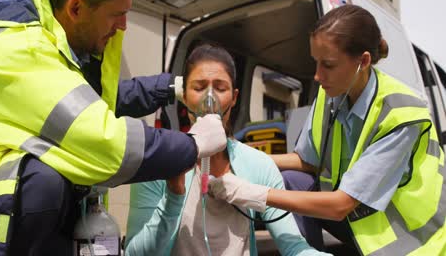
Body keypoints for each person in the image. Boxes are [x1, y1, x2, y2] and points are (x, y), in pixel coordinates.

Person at [0, 0, 227, 255]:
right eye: (117, 14)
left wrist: (171, 87)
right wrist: (193, 144)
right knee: (44, 181)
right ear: (75, 8)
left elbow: (93, 100)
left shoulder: (54, 34)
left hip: (30, 222)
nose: (123, 26)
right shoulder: (17, 47)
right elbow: (102, 137)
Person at [208, 5, 446, 256]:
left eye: (328, 65)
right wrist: (240, 153)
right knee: (291, 181)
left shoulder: (401, 114)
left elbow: (341, 205)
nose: (318, 76)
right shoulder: (331, 95)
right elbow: (307, 162)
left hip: (410, 241)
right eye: (316, 63)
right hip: (358, 219)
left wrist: (253, 193)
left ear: (363, 61)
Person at [124, 43, 330, 256]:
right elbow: (135, 253)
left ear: (234, 97)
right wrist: (173, 196)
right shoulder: (160, 165)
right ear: (184, 96)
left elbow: (295, 248)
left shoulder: (258, 165)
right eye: (198, 87)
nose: (209, 99)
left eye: (220, 88)